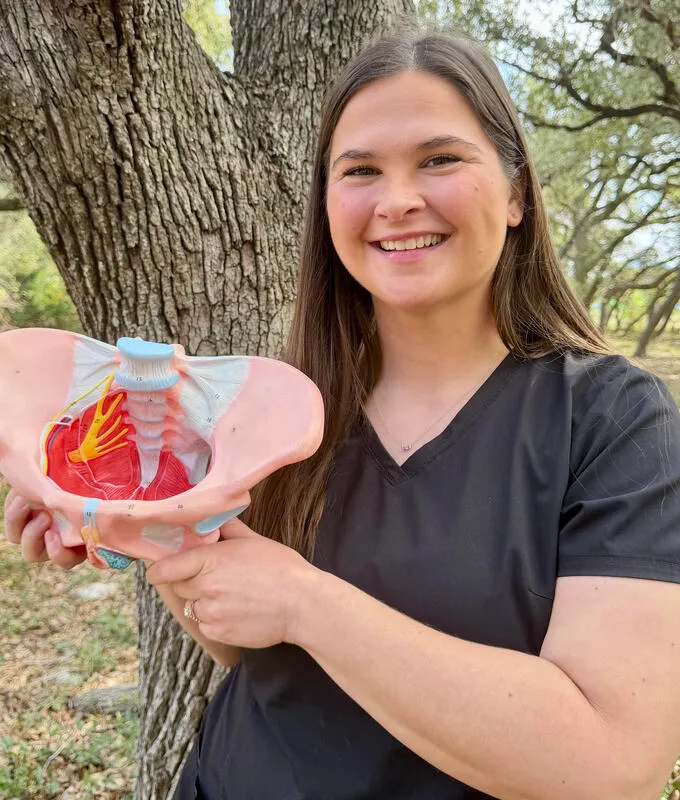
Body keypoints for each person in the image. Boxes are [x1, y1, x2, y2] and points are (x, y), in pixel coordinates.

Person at [4, 30, 680, 800]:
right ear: (327, 205)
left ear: (518, 192)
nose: (397, 201)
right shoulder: (273, 407)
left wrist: (304, 600)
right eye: (360, 171)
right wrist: (133, 525)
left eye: (440, 160)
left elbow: (611, 766)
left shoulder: (615, 421)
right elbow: (245, 650)